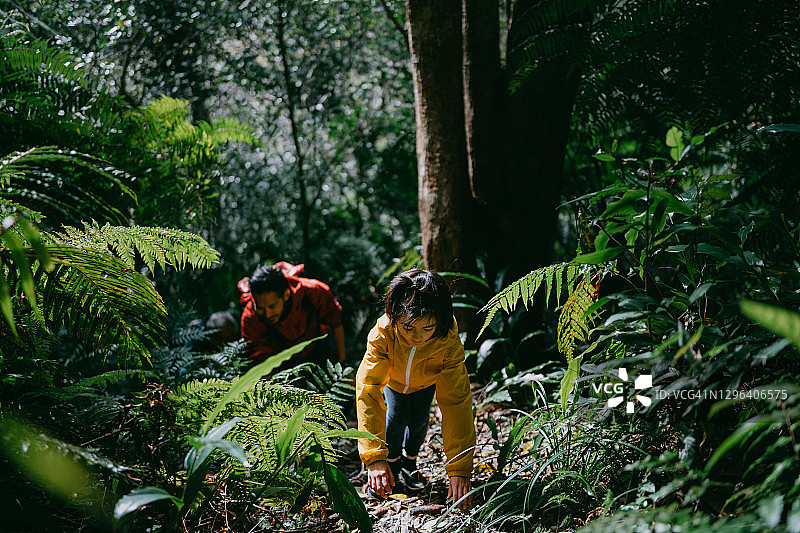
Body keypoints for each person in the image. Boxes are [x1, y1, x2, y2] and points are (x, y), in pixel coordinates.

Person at [356, 269, 475, 510]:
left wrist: (459, 469)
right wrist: (374, 458)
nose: (417, 337)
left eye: (427, 329)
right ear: (395, 315)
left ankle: (409, 464)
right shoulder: (383, 332)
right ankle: (390, 464)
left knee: (419, 422)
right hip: (394, 383)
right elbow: (368, 390)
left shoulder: (448, 338)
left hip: (425, 385)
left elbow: (456, 402)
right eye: (408, 328)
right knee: (396, 417)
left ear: (439, 321)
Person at [238, 262, 346, 368]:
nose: (267, 314)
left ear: (286, 295)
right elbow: (260, 360)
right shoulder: (250, 317)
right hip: (281, 358)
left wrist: (342, 364)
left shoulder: (312, 292)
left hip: (319, 344)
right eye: (260, 308)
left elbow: (336, 323)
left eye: (272, 307)